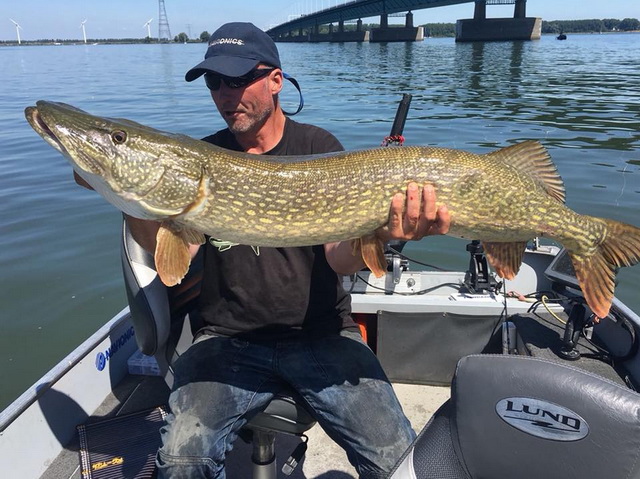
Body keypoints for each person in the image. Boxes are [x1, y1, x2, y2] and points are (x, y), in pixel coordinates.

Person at [79, 22, 450, 479]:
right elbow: (173, 261)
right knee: (179, 463)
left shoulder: (319, 148)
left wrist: (389, 233)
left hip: (322, 335)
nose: (225, 93)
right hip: (226, 340)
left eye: (238, 79)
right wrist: (127, 195)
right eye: (215, 82)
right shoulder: (201, 159)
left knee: (401, 463)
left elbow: (339, 258)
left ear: (276, 79)